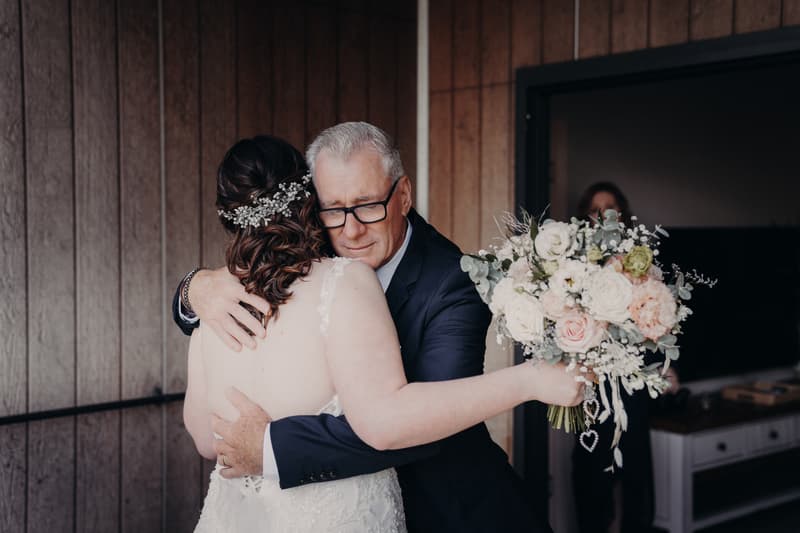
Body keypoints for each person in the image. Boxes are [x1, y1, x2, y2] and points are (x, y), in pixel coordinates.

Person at [180, 127, 586, 532]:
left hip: (443, 509)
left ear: (403, 195)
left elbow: (424, 431)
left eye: (368, 205)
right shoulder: (308, 252)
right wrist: (192, 289)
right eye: (333, 209)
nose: (351, 229)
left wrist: (269, 447)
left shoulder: (452, 281)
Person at [572, 181, 678, 533]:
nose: (603, 216)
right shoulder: (571, 266)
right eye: (595, 209)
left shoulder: (639, 263)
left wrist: (665, 367)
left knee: (635, 467)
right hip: (590, 384)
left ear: (623, 214)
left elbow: (656, 319)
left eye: (610, 208)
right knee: (590, 470)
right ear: (585, 216)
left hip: (631, 381)